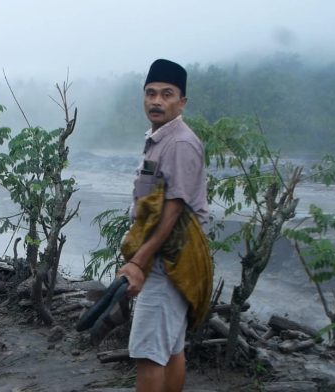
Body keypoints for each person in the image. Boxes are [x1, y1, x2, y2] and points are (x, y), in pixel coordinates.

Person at [118, 59, 209, 392]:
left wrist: (139, 262)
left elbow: (173, 211)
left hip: (168, 262)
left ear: (181, 101)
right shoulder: (159, 138)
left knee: (148, 354)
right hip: (162, 259)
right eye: (150, 93)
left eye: (167, 94)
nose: (156, 101)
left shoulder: (181, 143)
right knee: (169, 348)